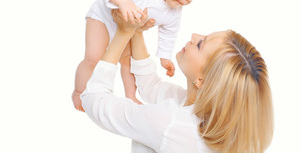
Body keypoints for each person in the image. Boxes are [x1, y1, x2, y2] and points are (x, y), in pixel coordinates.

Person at [81, 9, 274, 153]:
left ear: (202, 80)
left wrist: (122, 35)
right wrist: (136, 31)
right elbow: (152, 88)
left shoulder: (171, 123)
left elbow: (94, 100)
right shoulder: (213, 118)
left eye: (200, 44)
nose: (194, 36)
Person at [73, 0, 210, 110]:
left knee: (128, 62)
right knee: (93, 57)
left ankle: (131, 96)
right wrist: (123, 1)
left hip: (129, 28)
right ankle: (79, 91)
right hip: (103, 18)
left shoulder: (175, 9)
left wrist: (164, 56)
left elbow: (170, 31)